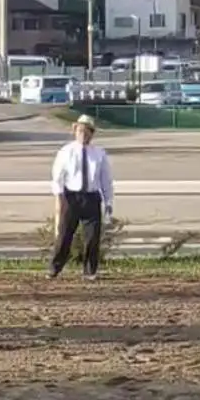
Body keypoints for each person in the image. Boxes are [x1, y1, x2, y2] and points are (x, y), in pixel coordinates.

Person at [48, 113, 114, 280]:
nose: (83, 134)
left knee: (92, 237)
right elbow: (57, 177)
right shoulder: (66, 152)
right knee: (64, 235)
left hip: (91, 198)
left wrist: (108, 202)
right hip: (72, 197)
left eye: (87, 131)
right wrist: (59, 198)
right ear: (75, 130)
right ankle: (55, 269)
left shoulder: (99, 154)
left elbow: (106, 179)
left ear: (92, 133)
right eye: (80, 131)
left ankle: (90, 271)